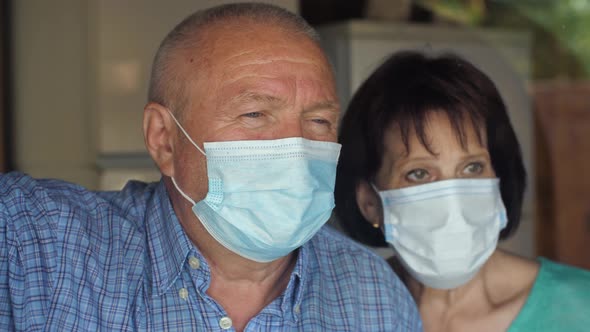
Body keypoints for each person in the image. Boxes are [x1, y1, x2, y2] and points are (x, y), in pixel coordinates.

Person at [0, 3, 422, 331]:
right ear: (163, 139)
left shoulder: (374, 294)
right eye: (254, 114)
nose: (296, 148)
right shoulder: (39, 247)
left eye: (319, 122)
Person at [334, 50, 590, 332]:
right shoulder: (345, 314)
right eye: (418, 173)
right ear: (369, 202)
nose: (452, 203)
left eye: (472, 168)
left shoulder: (580, 306)